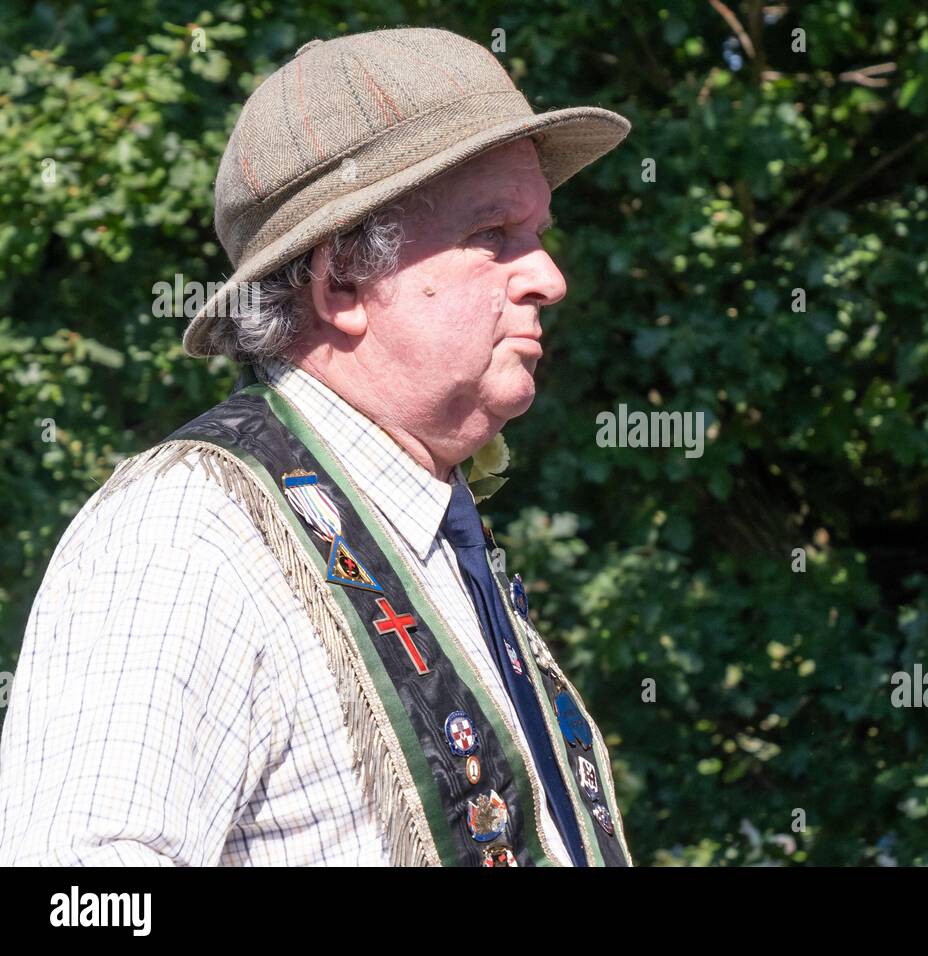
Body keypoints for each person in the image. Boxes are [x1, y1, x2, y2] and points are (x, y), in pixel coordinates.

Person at [0, 26, 633, 867]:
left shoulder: (426, 532)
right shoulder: (186, 534)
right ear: (340, 282)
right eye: (493, 234)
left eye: (537, 232)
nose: (548, 277)